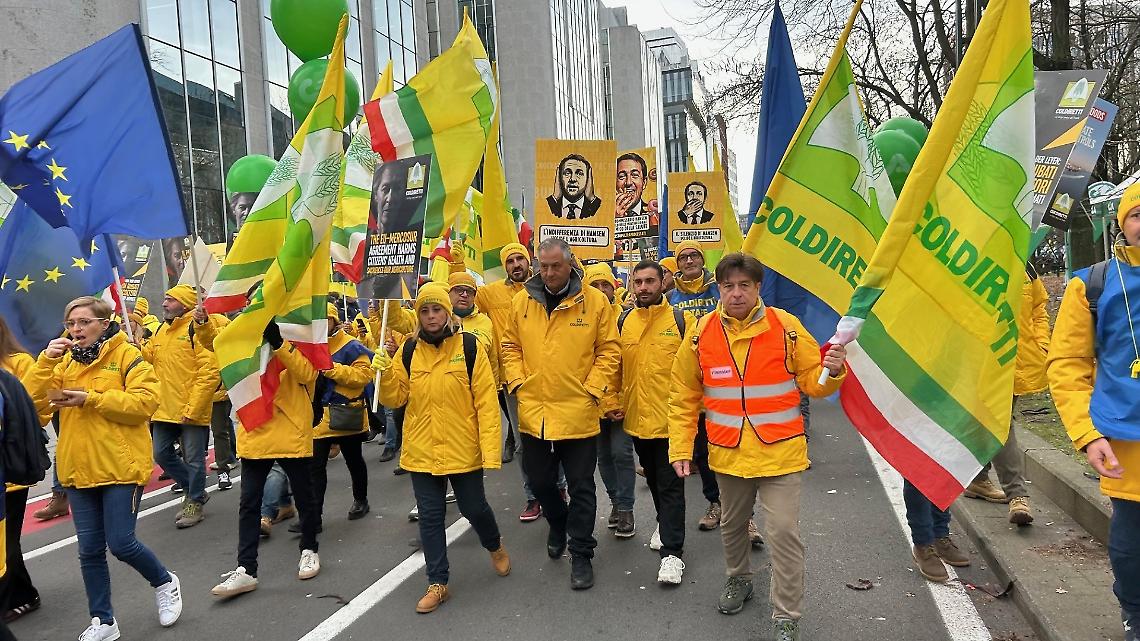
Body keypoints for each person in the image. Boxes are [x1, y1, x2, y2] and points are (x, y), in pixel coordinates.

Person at [668, 253, 846, 641]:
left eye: (744, 285)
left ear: (757, 288)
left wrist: (832, 369)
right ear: (718, 289)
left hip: (780, 452)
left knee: (782, 532)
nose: (736, 293)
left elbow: (813, 382)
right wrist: (681, 448)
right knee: (732, 527)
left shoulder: (786, 327)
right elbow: (683, 393)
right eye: (728, 286)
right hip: (728, 453)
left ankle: (787, 614)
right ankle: (739, 579)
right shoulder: (701, 333)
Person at [28, 296, 182, 640]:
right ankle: (103, 620)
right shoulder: (62, 361)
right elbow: (34, 409)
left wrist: (92, 399)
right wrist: (42, 363)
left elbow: (145, 404)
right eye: (71, 324)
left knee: (122, 544)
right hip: (77, 468)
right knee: (89, 550)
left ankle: (165, 581)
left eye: (84, 322)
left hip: (120, 466)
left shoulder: (127, 355)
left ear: (104, 322)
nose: (76, 330)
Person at [374, 285, 509, 613]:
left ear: (447, 313)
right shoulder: (407, 349)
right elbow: (395, 399)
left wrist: (491, 451)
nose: (431, 317)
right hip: (422, 450)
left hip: (463, 449)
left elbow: (487, 404)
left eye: (436, 310)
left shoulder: (470, 346)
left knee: (474, 508)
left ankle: (494, 545)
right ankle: (438, 582)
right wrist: (385, 371)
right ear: (418, 316)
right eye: (424, 311)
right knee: (430, 518)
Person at [501, 238, 621, 590]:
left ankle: (582, 553)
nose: (549, 273)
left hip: (578, 412)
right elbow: (510, 346)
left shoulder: (595, 302)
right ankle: (557, 521)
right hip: (534, 411)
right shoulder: (522, 301)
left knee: (583, 487)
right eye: (544, 266)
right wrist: (518, 382)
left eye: (556, 265)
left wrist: (592, 389)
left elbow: (609, 350)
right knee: (539, 482)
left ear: (570, 264)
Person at [1048, 182, 1140, 641]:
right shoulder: (1092, 284)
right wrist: (1086, 434)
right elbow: (1066, 365)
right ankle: (1135, 616)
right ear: (1122, 222)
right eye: (1138, 213)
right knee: (1131, 541)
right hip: (1126, 442)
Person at [203, 295, 322, 598]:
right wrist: (203, 324)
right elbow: (219, 346)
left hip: (290, 427)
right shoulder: (245, 332)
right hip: (255, 425)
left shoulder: (299, 332)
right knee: (248, 504)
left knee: (305, 496)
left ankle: (309, 548)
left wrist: (280, 343)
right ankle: (246, 569)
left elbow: (308, 374)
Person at [474, 243, 567, 516]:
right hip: (515, 384)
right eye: (510, 260)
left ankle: (559, 487)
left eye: (520, 259)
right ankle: (534, 496)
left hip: (552, 377)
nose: (516, 264)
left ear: (530, 262)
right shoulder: (491, 294)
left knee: (558, 437)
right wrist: (456, 265)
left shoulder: (547, 288)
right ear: (505, 266)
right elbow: (459, 301)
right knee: (526, 444)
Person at [619, 260, 695, 584]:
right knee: (653, 481)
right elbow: (615, 366)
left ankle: (673, 555)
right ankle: (665, 526)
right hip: (637, 420)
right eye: (638, 282)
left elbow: (696, 370)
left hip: (672, 421)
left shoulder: (681, 320)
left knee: (670, 485)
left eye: (650, 281)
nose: (644, 288)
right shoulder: (623, 321)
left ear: (663, 282)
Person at [669, 240, 746, 537]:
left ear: (703, 260)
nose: (689, 261)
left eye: (694, 255)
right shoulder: (671, 298)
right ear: (677, 264)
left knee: (736, 448)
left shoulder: (720, 290)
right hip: (692, 385)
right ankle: (715, 503)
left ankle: (744, 516)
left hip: (726, 385)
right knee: (703, 454)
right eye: (684, 257)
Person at [965, 261, 1047, 524]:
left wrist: (1042, 344)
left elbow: (1039, 307)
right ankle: (1018, 496)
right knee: (1000, 421)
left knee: (991, 420)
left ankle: (977, 479)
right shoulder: (970, 255)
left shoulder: (1026, 267)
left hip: (1018, 360)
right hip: (982, 361)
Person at [142, 285, 220, 529]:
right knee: (161, 453)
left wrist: (194, 408)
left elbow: (209, 371)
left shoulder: (197, 330)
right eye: (164, 298)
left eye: (170, 299)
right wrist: (136, 344)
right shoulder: (161, 331)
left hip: (190, 409)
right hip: (164, 408)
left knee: (195, 459)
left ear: (185, 304)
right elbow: (152, 359)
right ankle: (193, 489)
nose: (164, 303)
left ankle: (194, 501)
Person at [0, 318, 49, 623]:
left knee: (9, 541)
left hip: (11, 470)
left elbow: (35, 411)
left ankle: (24, 594)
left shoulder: (18, 363)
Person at [309, 304, 374, 527]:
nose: (320, 324)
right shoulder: (310, 346)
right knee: (315, 468)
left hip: (346, 414)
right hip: (318, 418)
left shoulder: (352, 346)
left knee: (354, 461)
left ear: (335, 321)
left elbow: (364, 376)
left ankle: (361, 500)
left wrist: (331, 369)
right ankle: (314, 516)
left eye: (325, 319)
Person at [584, 263, 637, 539]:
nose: (602, 291)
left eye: (606, 284)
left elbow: (623, 365)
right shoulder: (580, 317)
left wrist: (616, 401)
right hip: (591, 401)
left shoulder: (625, 318)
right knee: (603, 456)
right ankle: (616, 502)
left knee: (621, 453)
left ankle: (626, 508)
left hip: (619, 402)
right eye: (596, 285)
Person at [546, 154, 602, 220]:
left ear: (588, 178)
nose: (572, 179)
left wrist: (591, 198)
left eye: (579, 174)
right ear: (559, 177)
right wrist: (554, 197)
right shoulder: (549, 205)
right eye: (567, 173)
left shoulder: (596, 207)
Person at [616, 153, 657, 226]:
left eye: (635, 175)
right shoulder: (606, 217)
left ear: (644, 183)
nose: (628, 182)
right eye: (622, 176)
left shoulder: (656, 214)